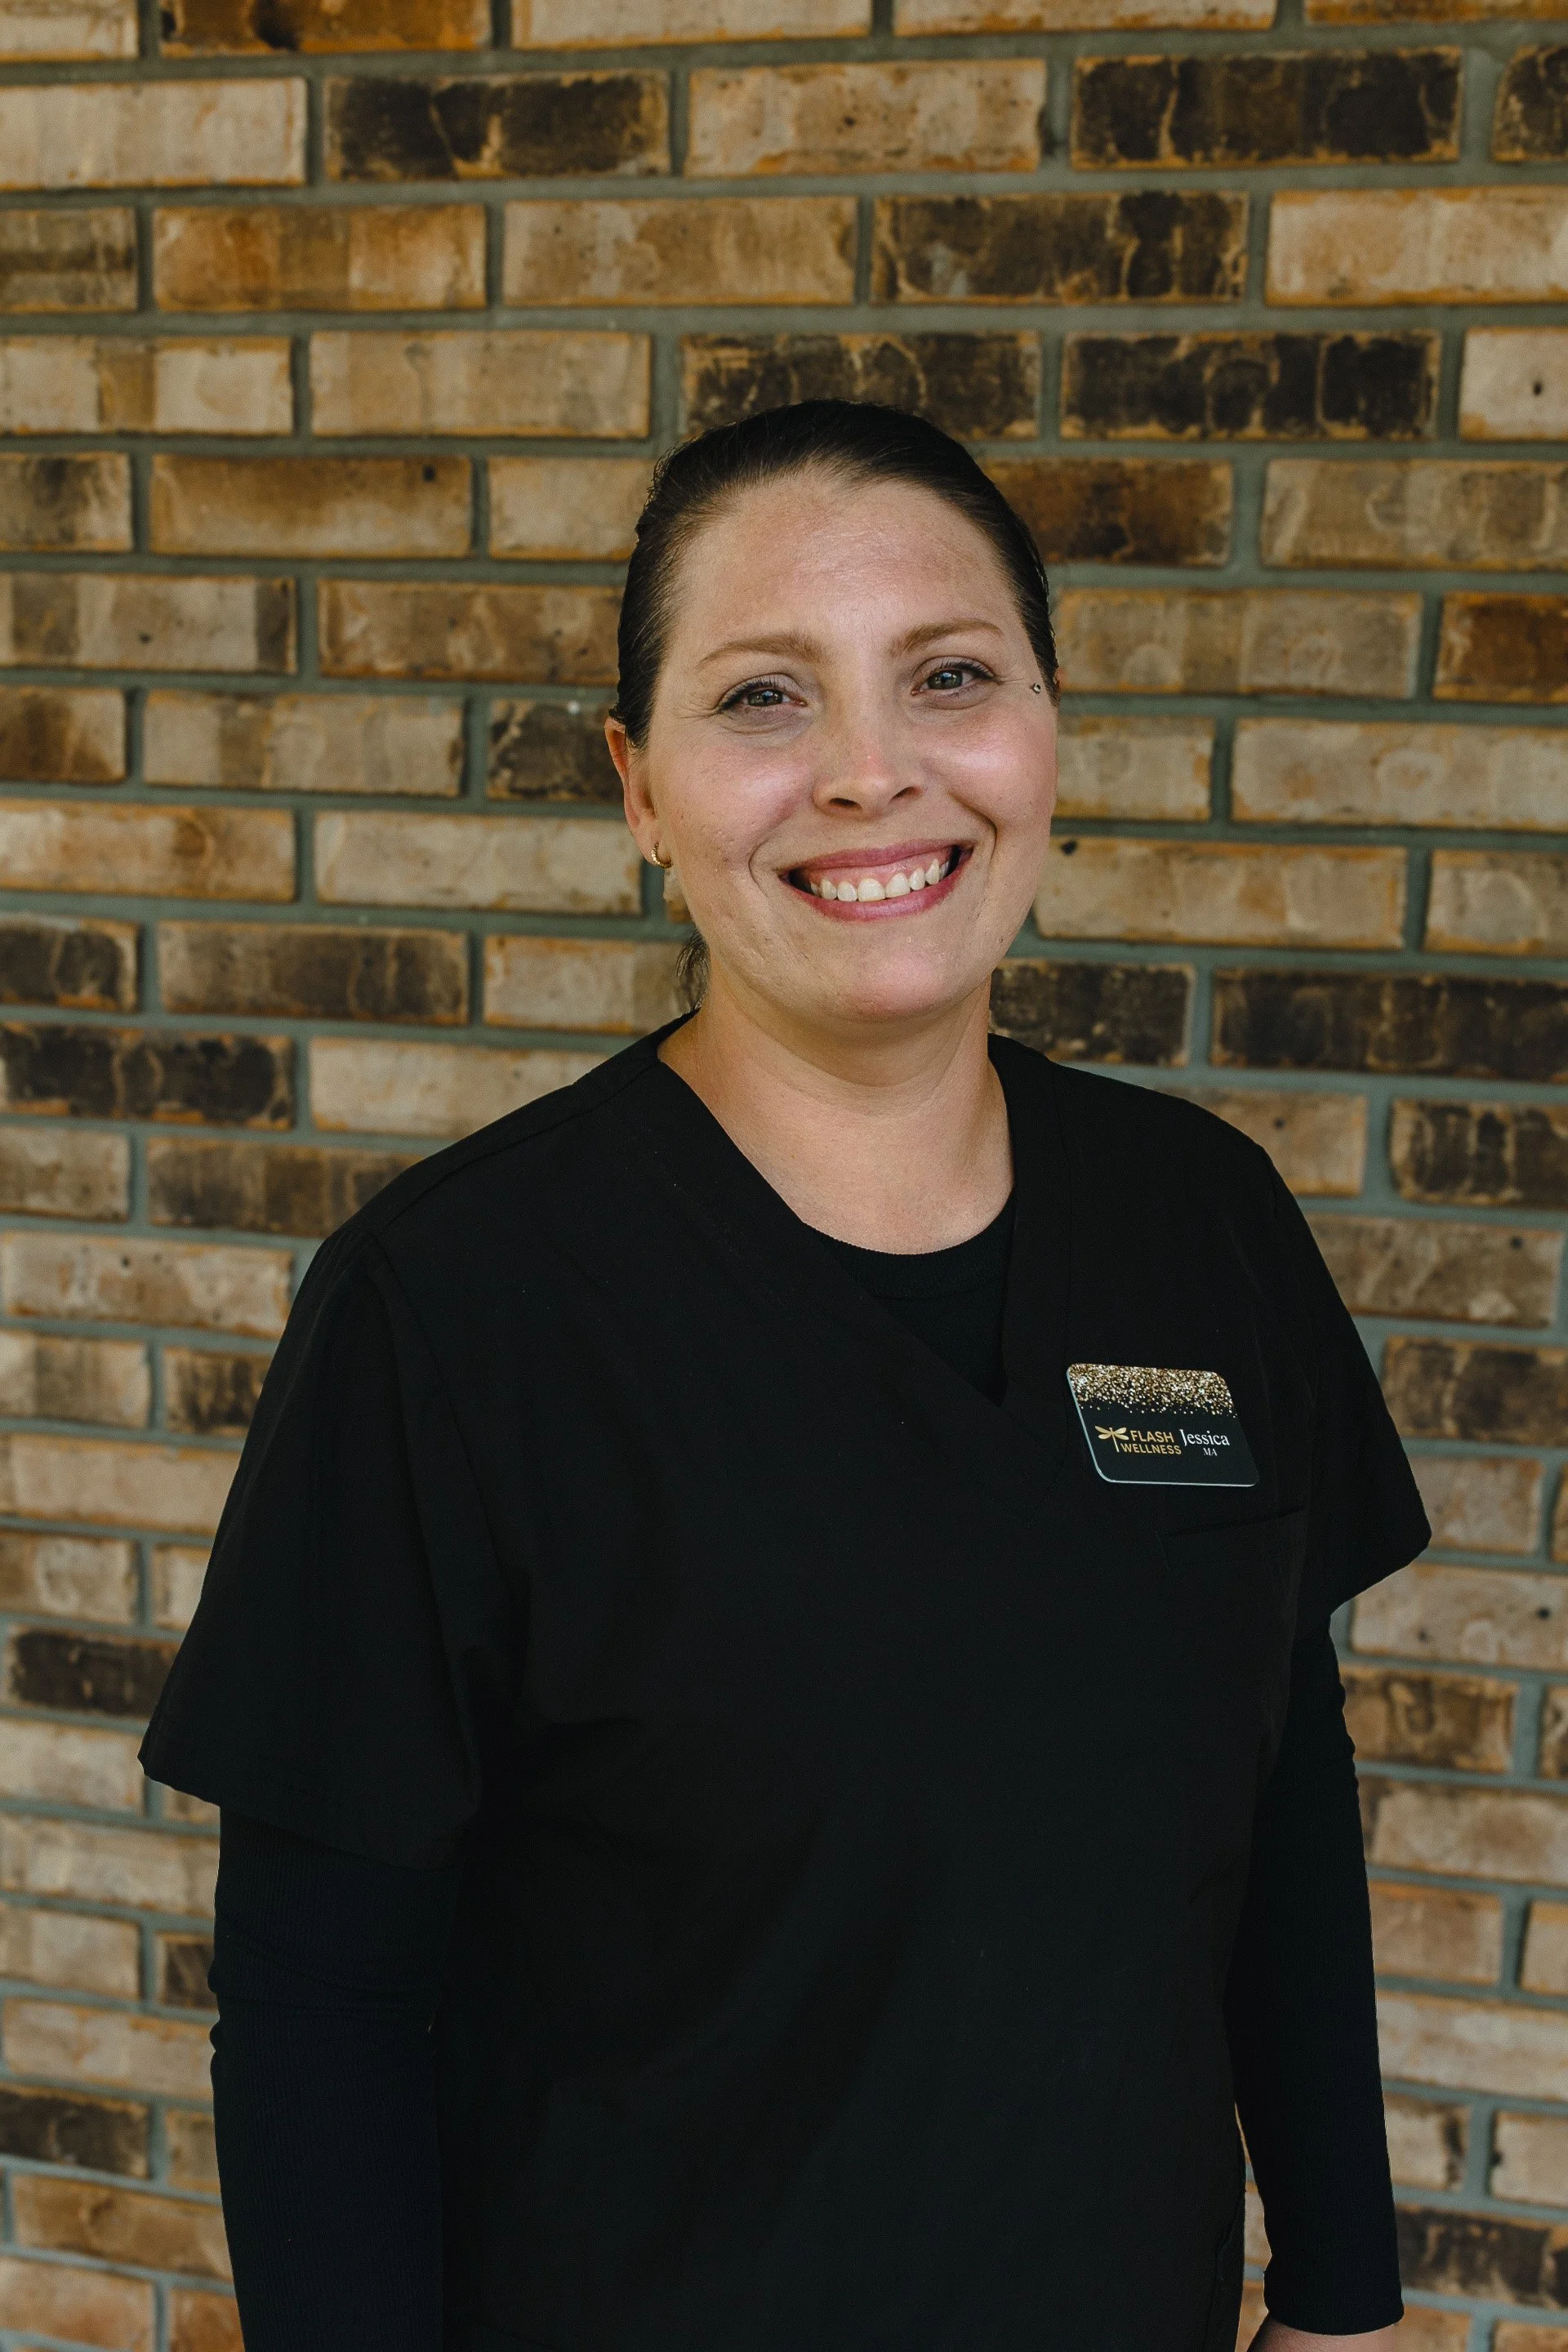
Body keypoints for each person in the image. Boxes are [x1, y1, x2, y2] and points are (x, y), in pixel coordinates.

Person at [140, 400, 1427, 2352]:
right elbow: (324, 2004)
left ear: (1050, 730)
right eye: (763, 696)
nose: (869, 771)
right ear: (640, 788)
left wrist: (1342, 2294)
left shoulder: (1204, 1222)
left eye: (951, 677)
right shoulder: (456, 1308)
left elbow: (1286, 1784)